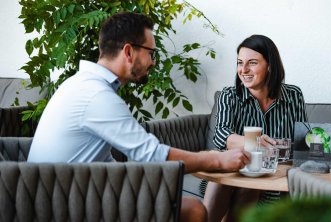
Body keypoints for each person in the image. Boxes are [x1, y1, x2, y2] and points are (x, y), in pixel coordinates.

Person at [27, 12, 250, 222]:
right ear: (128, 52)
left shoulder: (82, 84)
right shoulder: (97, 95)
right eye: (151, 53)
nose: (153, 62)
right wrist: (217, 159)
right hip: (61, 207)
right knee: (193, 211)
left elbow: (104, 162)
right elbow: (151, 155)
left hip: (57, 194)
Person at [203, 34, 308, 222]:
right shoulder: (230, 95)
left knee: (250, 185)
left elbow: (302, 144)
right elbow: (220, 135)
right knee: (235, 180)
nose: (243, 70)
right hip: (232, 175)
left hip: (274, 181)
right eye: (239, 63)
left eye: (252, 63)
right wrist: (253, 142)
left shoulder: (294, 95)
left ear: (269, 65)